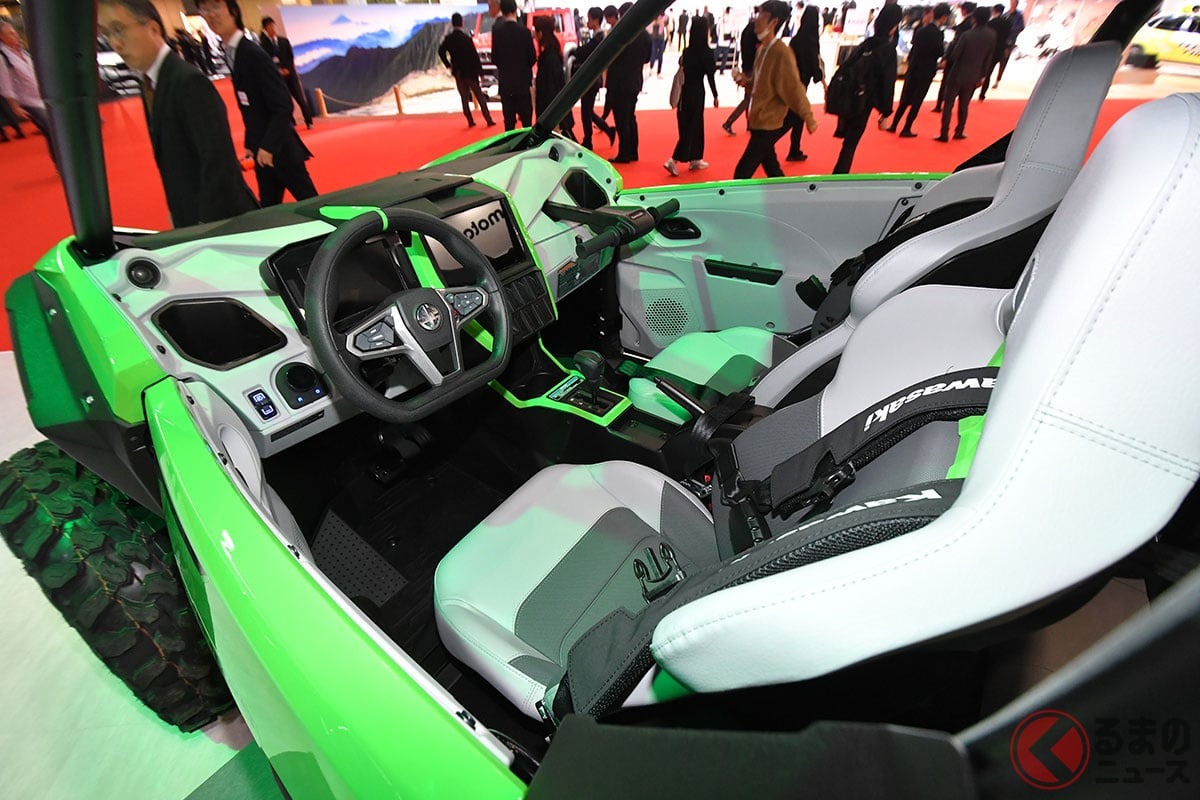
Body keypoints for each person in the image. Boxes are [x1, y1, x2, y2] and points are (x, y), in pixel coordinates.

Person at [99, 0, 257, 227]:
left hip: (220, 223)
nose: (115, 43)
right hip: (193, 216)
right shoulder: (151, 82)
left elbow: (219, 162)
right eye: (107, 34)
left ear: (153, 29)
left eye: (119, 29)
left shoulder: (188, 81)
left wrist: (203, 225)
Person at [198, 0, 317, 206]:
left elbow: (283, 105)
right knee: (268, 211)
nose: (210, 15)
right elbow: (252, 107)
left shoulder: (252, 53)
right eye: (205, 10)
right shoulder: (232, 51)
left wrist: (268, 146)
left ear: (233, 11)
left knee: (314, 206)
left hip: (280, 150)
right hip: (264, 151)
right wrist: (251, 144)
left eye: (216, 7)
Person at [731, 1, 818, 179]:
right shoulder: (762, 50)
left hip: (768, 122)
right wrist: (744, 80)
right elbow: (758, 85)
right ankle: (786, 193)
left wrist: (809, 117)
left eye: (762, 16)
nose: (757, 20)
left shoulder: (781, 52)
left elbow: (794, 88)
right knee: (772, 169)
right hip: (758, 120)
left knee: (742, 173)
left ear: (774, 22)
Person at [830, 3, 901, 174]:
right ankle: (839, 176)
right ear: (893, 26)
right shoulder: (888, 50)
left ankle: (839, 174)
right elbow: (887, 83)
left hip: (849, 96)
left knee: (848, 142)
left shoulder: (867, 43)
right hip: (863, 101)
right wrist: (885, 112)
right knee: (850, 144)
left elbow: (846, 66)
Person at [664, 17, 718, 176]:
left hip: (684, 92)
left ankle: (695, 158)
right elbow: (710, 76)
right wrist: (715, 95)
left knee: (688, 124)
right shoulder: (707, 53)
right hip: (697, 92)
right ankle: (673, 159)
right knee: (693, 126)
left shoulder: (687, 52)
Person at [888, 2, 950, 137]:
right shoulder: (938, 34)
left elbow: (914, 48)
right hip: (926, 71)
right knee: (917, 101)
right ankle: (906, 128)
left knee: (905, 99)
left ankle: (894, 125)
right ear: (944, 17)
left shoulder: (921, 30)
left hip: (914, 68)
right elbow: (939, 52)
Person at [936, 6, 996, 141]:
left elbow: (955, 55)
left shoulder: (967, 35)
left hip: (957, 73)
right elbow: (988, 58)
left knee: (948, 104)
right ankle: (959, 131)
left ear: (974, 18)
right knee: (964, 105)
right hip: (974, 75)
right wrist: (982, 76)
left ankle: (944, 133)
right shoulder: (992, 35)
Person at [0, 22, 56, 165]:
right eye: (10, 34)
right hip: (27, 101)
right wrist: (15, 106)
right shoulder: (3, 57)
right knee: (51, 129)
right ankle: (61, 163)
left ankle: (63, 162)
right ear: (1, 37)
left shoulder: (23, 51)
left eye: (14, 32)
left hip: (42, 96)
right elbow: (5, 84)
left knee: (54, 131)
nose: (15, 35)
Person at [607, 2, 651, 163]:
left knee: (622, 119)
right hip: (635, 81)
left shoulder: (622, 34)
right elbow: (647, 58)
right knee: (630, 117)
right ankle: (633, 151)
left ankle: (624, 153)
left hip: (619, 82)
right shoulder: (645, 34)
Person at [439, 13, 495, 128]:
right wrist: (480, 72)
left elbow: (441, 51)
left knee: (464, 98)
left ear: (452, 23)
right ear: (462, 23)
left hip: (458, 73)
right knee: (479, 96)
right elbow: (474, 57)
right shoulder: (466, 39)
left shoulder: (449, 39)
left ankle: (470, 120)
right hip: (470, 73)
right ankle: (488, 119)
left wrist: (448, 65)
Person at [783, 5, 824, 161]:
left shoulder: (796, 39)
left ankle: (794, 149)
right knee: (793, 118)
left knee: (796, 116)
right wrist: (820, 78)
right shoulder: (812, 41)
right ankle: (767, 146)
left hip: (791, 80)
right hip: (802, 83)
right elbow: (814, 63)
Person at [260, 16, 313, 129]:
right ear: (265, 29)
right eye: (269, 26)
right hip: (277, 77)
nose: (272, 28)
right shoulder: (263, 45)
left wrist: (287, 68)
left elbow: (290, 57)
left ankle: (309, 121)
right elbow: (266, 61)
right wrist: (277, 70)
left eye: (272, 26)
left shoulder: (283, 41)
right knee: (285, 100)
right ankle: (291, 123)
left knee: (299, 98)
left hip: (290, 75)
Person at [492, 0, 536, 130]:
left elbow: (495, 58)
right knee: (527, 123)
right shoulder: (525, 32)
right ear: (515, 9)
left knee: (509, 123)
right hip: (522, 84)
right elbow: (532, 58)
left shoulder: (497, 32)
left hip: (506, 84)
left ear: (502, 11)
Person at [575, 7, 616, 150]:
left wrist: (576, 51)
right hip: (593, 80)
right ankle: (607, 131)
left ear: (596, 20)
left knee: (586, 111)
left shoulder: (598, 39)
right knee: (588, 111)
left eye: (589, 19)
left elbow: (582, 52)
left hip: (591, 81)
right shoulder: (598, 37)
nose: (587, 22)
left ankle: (588, 140)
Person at [533, 15, 575, 140]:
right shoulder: (552, 52)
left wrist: (551, 117)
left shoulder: (550, 56)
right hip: (552, 109)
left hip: (551, 111)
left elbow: (551, 88)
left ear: (540, 33)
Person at [934, 1, 975, 113]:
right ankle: (947, 105)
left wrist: (946, 57)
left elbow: (955, 42)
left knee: (947, 82)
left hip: (955, 56)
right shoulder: (972, 24)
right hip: (967, 59)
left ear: (964, 10)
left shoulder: (965, 24)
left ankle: (940, 105)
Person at [721, 11, 759, 135]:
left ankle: (749, 125)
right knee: (748, 99)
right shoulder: (755, 33)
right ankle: (729, 122)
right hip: (752, 68)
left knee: (748, 98)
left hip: (746, 66)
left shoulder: (745, 32)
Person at [978, 4, 1011, 100]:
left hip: (990, 50)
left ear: (994, 11)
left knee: (984, 71)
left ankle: (978, 90)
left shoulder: (991, 23)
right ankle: (982, 94)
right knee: (990, 73)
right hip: (1001, 50)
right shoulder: (1008, 24)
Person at [993, 0, 1024, 88]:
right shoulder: (1005, 14)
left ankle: (998, 80)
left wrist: (1011, 30)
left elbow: (1021, 27)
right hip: (1000, 41)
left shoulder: (1019, 16)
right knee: (993, 59)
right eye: (1011, 2)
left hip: (1009, 42)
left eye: (1014, 2)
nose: (1012, 3)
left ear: (1016, 4)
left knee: (1003, 62)